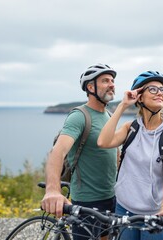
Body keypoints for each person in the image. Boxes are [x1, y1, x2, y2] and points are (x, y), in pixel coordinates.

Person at [97, 71, 163, 240]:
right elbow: (103, 141)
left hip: (156, 213)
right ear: (139, 97)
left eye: (162, 90)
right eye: (152, 89)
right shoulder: (131, 127)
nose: (160, 92)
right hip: (124, 208)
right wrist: (123, 105)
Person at [41, 63, 118, 240]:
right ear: (90, 87)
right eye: (105, 80)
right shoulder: (80, 116)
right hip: (87, 201)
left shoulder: (109, 115)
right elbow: (57, 152)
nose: (112, 84)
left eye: (113, 80)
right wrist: (53, 190)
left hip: (112, 197)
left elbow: (115, 153)